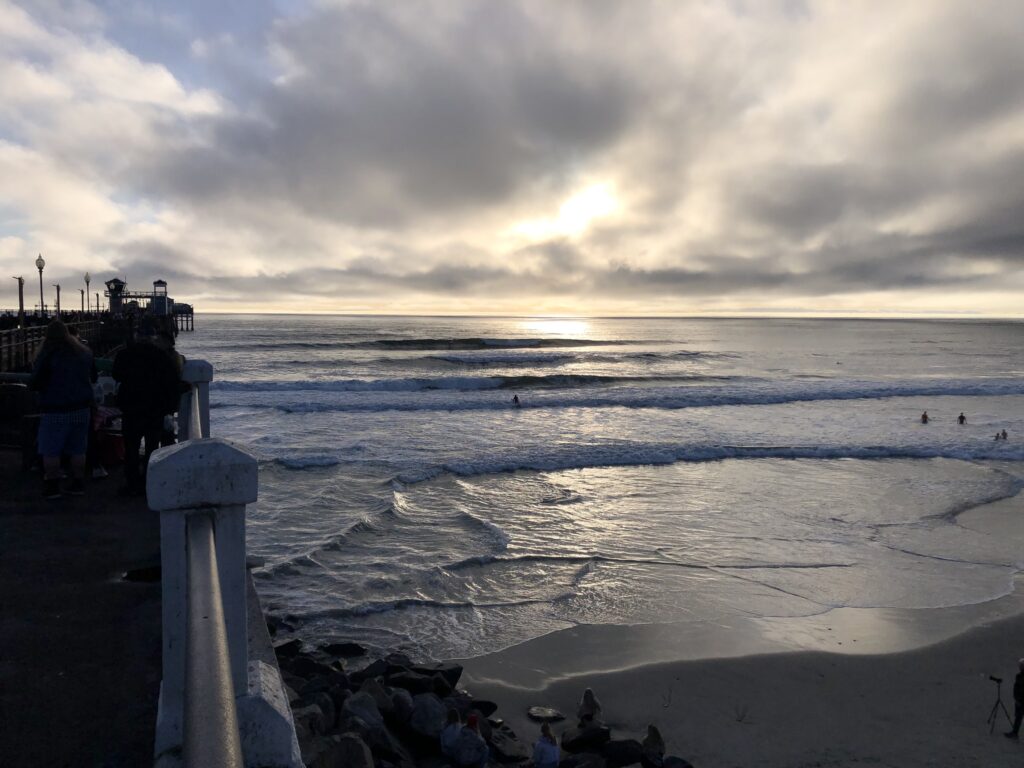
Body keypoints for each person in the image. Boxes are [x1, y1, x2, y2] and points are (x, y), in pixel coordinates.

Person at [112, 321, 182, 496]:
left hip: (131, 407)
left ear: (137, 336)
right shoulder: (162, 356)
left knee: (131, 447)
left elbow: (116, 374)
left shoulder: (125, 354)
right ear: (153, 337)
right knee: (152, 447)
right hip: (155, 409)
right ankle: (148, 483)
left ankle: (132, 483)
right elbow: (171, 382)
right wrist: (171, 407)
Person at [30, 320, 97, 498]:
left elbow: (35, 381)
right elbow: (94, 376)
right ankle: (78, 484)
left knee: (50, 449)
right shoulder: (84, 353)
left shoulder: (48, 354)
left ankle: (52, 487)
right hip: (82, 407)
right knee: (78, 449)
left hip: (55, 409)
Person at [1005, 658, 1024, 739]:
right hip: (1019, 700)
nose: (1020, 667)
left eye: (1021, 666)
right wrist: (1016, 698)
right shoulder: (1019, 676)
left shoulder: (1020, 676)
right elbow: (1016, 687)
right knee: (1018, 717)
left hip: (1021, 700)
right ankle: (1014, 733)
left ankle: (1014, 733)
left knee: (1018, 717)